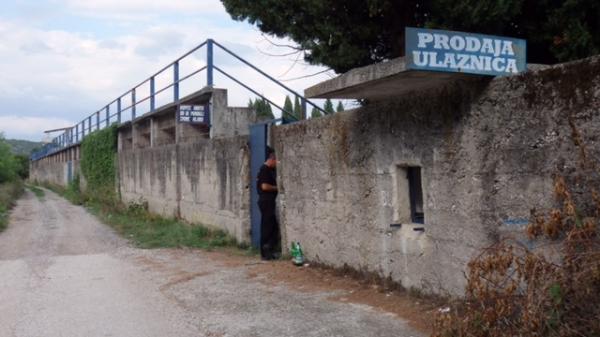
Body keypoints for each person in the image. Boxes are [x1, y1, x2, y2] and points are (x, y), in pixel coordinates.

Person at [256, 146, 279, 260]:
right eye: (276, 162)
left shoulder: (269, 170)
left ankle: (269, 251)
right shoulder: (264, 169)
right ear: (271, 160)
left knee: (272, 227)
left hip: (268, 201)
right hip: (266, 201)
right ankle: (265, 253)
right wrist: (277, 188)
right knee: (267, 227)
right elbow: (264, 186)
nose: (277, 164)